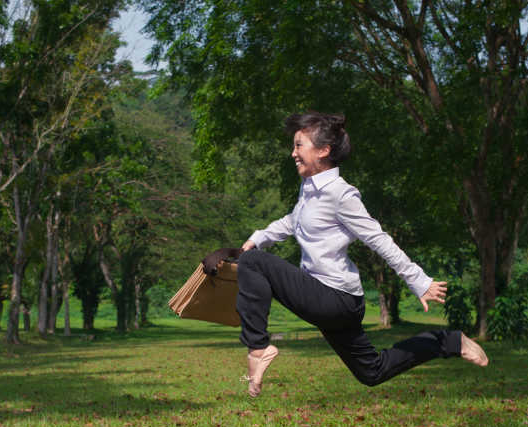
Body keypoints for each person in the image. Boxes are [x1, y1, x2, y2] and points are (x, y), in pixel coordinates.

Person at [202, 111, 488, 398]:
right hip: (333, 301)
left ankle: (258, 348)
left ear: (324, 150)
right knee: (371, 372)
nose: (293, 154)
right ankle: (450, 341)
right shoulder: (309, 191)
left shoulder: (341, 194)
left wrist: (419, 281)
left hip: (334, 299)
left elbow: (379, 240)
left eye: (299, 145)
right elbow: (292, 222)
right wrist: (257, 238)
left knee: (254, 263)